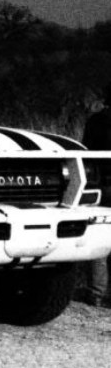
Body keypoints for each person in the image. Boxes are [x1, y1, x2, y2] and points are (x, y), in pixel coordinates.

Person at [79, 82, 111, 306]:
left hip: (103, 184)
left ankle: (96, 292)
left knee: (100, 235)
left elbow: (86, 152)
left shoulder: (96, 121)